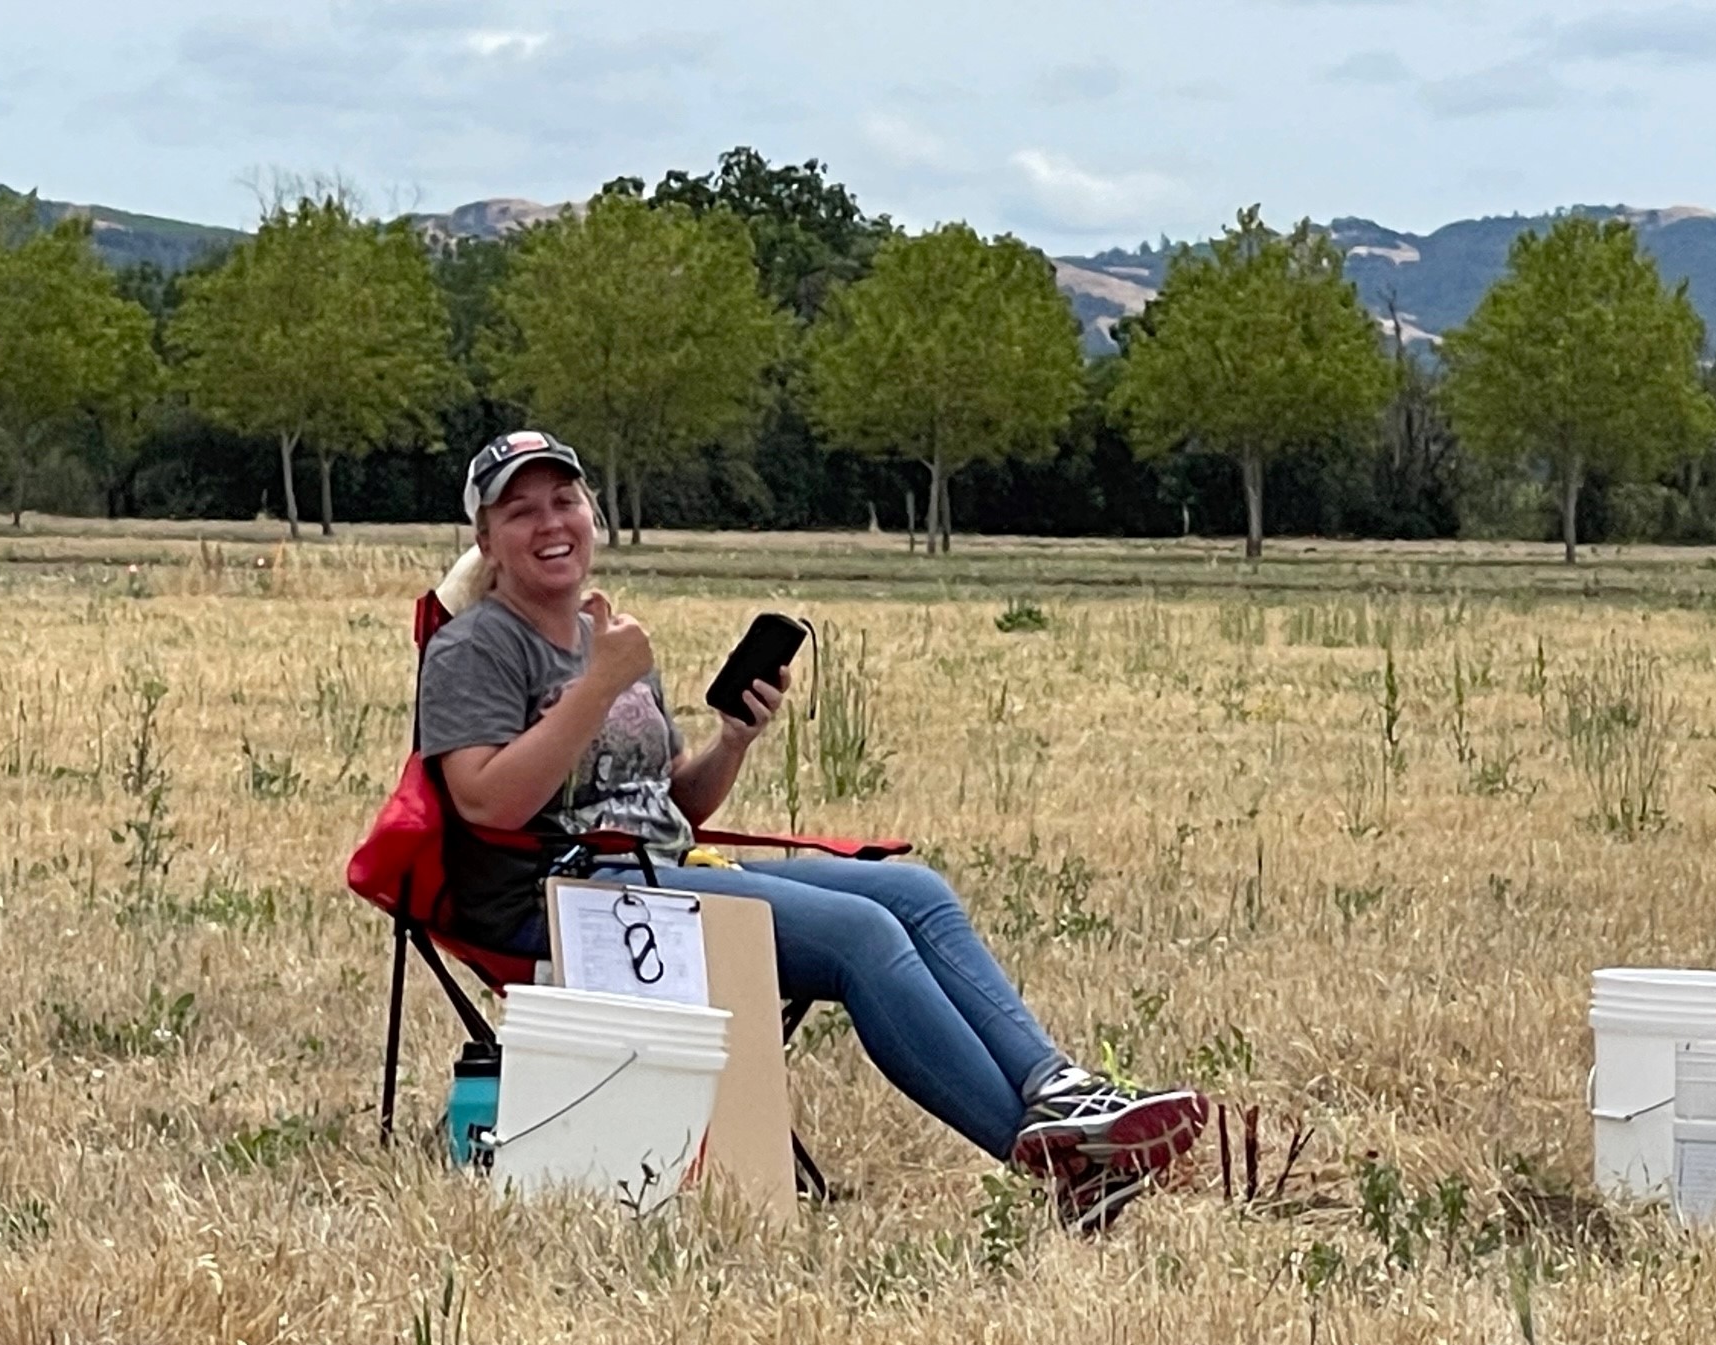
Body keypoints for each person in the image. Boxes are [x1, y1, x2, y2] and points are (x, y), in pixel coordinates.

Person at [417, 430, 1209, 1232]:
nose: (551, 523)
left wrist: (733, 739)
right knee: (859, 934)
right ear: (487, 540)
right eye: (521, 511)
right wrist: (596, 690)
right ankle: (1055, 1161)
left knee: (912, 890)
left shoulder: (611, 638)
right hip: (566, 898)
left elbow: (669, 810)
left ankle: (1058, 1090)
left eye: (565, 501)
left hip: (653, 869)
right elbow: (487, 804)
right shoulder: (474, 650)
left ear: (593, 513)